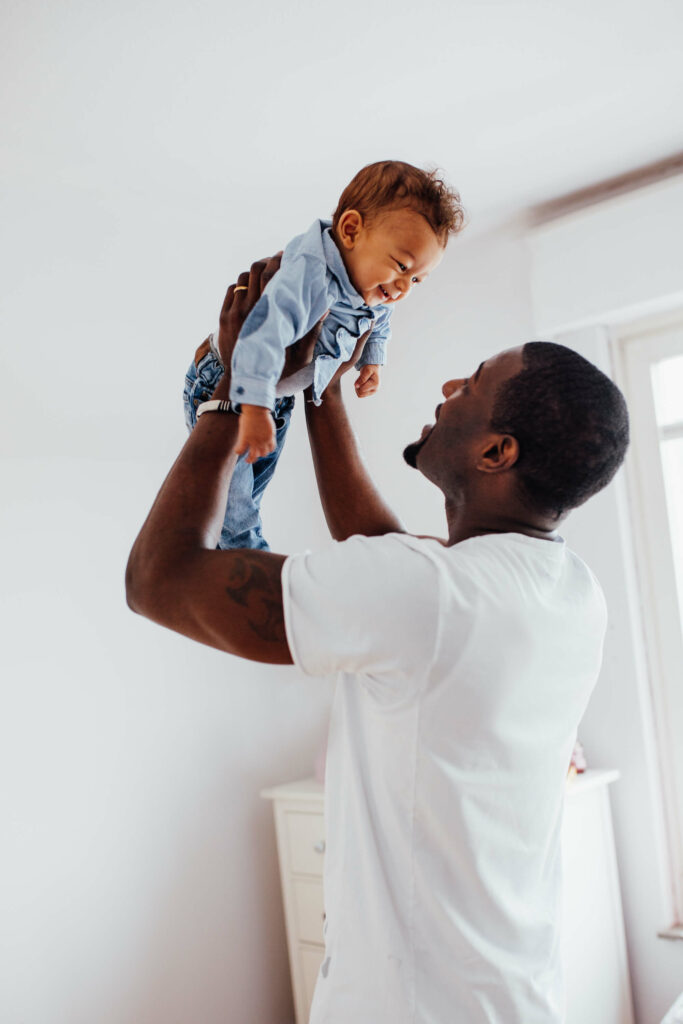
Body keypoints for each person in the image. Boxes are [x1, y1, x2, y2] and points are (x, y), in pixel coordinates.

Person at [126, 255, 630, 1023]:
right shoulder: (565, 590)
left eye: (469, 385)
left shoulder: (427, 596)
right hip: (508, 998)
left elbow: (159, 579)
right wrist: (321, 382)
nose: (446, 390)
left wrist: (234, 394)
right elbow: (387, 558)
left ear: (498, 453)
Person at [183, 160, 464, 549]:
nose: (404, 288)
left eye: (416, 279)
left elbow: (380, 319)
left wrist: (372, 360)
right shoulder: (309, 275)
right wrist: (252, 406)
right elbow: (259, 337)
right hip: (234, 381)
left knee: (249, 495)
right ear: (350, 230)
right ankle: (248, 563)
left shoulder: (373, 284)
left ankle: (231, 546)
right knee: (236, 515)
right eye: (401, 266)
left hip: (277, 398)